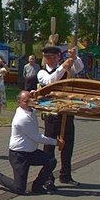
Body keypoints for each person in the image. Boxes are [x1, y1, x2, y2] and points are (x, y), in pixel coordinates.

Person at [0, 90, 64, 195]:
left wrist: (39, 94)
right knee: (19, 188)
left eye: (30, 100)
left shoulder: (30, 110)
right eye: (25, 101)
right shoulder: (22, 118)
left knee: (51, 161)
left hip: (31, 152)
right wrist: (56, 142)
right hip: (19, 155)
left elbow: (43, 105)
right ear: (19, 103)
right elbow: (37, 137)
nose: (29, 103)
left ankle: (37, 186)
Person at [37, 45, 84, 188]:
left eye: (53, 57)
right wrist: (63, 66)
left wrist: (74, 57)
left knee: (68, 145)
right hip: (52, 114)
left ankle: (66, 174)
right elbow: (51, 81)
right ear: (44, 58)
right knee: (49, 145)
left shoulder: (68, 69)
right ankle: (47, 177)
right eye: (48, 57)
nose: (51, 60)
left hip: (67, 112)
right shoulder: (42, 72)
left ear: (58, 57)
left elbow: (80, 68)